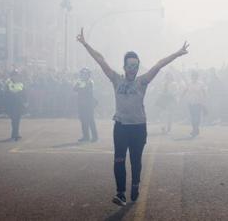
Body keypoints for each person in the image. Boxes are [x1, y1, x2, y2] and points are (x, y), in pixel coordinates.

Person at [76, 28, 189, 206]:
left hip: (138, 127)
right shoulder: (116, 79)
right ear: (124, 66)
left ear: (138, 67)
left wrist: (177, 53)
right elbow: (100, 60)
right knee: (119, 159)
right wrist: (85, 44)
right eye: (129, 66)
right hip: (120, 126)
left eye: (135, 66)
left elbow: (159, 64)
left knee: (135, 160)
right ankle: (120, 193)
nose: (132, 69)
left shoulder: (142, 81)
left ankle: (135, 183)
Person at [73, 68, 98, 142]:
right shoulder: (80, 81)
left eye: (85, 74)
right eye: (82, 74)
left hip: (89, 104)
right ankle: (86, 136)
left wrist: (80, 87)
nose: (83, 75)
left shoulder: (90, 82)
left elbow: (87, 91)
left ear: (88, 75)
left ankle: (95, 137)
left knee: (90, 120)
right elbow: (74, 89)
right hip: (81, 104)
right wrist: (80, 86)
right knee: (83, 120)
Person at [182, 71, 208, 137]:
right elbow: (185, 90)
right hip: (190, 102)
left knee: (197, 116)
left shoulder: (200, 84)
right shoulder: (189, 84)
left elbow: (204, 92)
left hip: (198, 102)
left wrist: (204, 100)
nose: (194, 77)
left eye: (195, 76)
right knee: (193, 116)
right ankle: (194, 129)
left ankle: (196, 128)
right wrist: (181, 97)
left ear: (197, 77)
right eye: (193, 76)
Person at [5, 70, 26, 141]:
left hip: (19, 103)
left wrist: (24, 101)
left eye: (17, 75)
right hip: (12, 104)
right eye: (15, 75)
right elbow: (8, 92)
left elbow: (23, 92)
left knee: (18, 119)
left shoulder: (20, 83)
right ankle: (14, 134)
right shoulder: (8, 82)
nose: (17, 76)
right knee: (14, 120)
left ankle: (16, 133)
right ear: (12, 76)